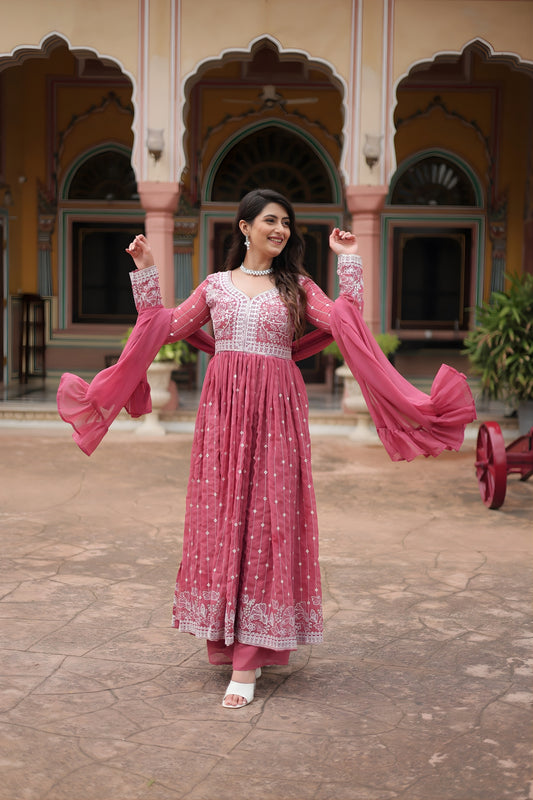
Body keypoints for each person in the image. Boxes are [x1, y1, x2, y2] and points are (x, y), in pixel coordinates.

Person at [58, 188, 476, 709]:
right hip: (223, 418)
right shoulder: (214, 287)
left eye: (286, 223)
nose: (280, 230)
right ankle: (227, 638)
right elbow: (163, 329)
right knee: (223, 519)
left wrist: (349, 262)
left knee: (267, 521)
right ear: (244, 226)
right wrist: (144, 269)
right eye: (270, 221)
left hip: (278, 415)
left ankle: (250, 658)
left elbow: (345, 323)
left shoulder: (298, 286)